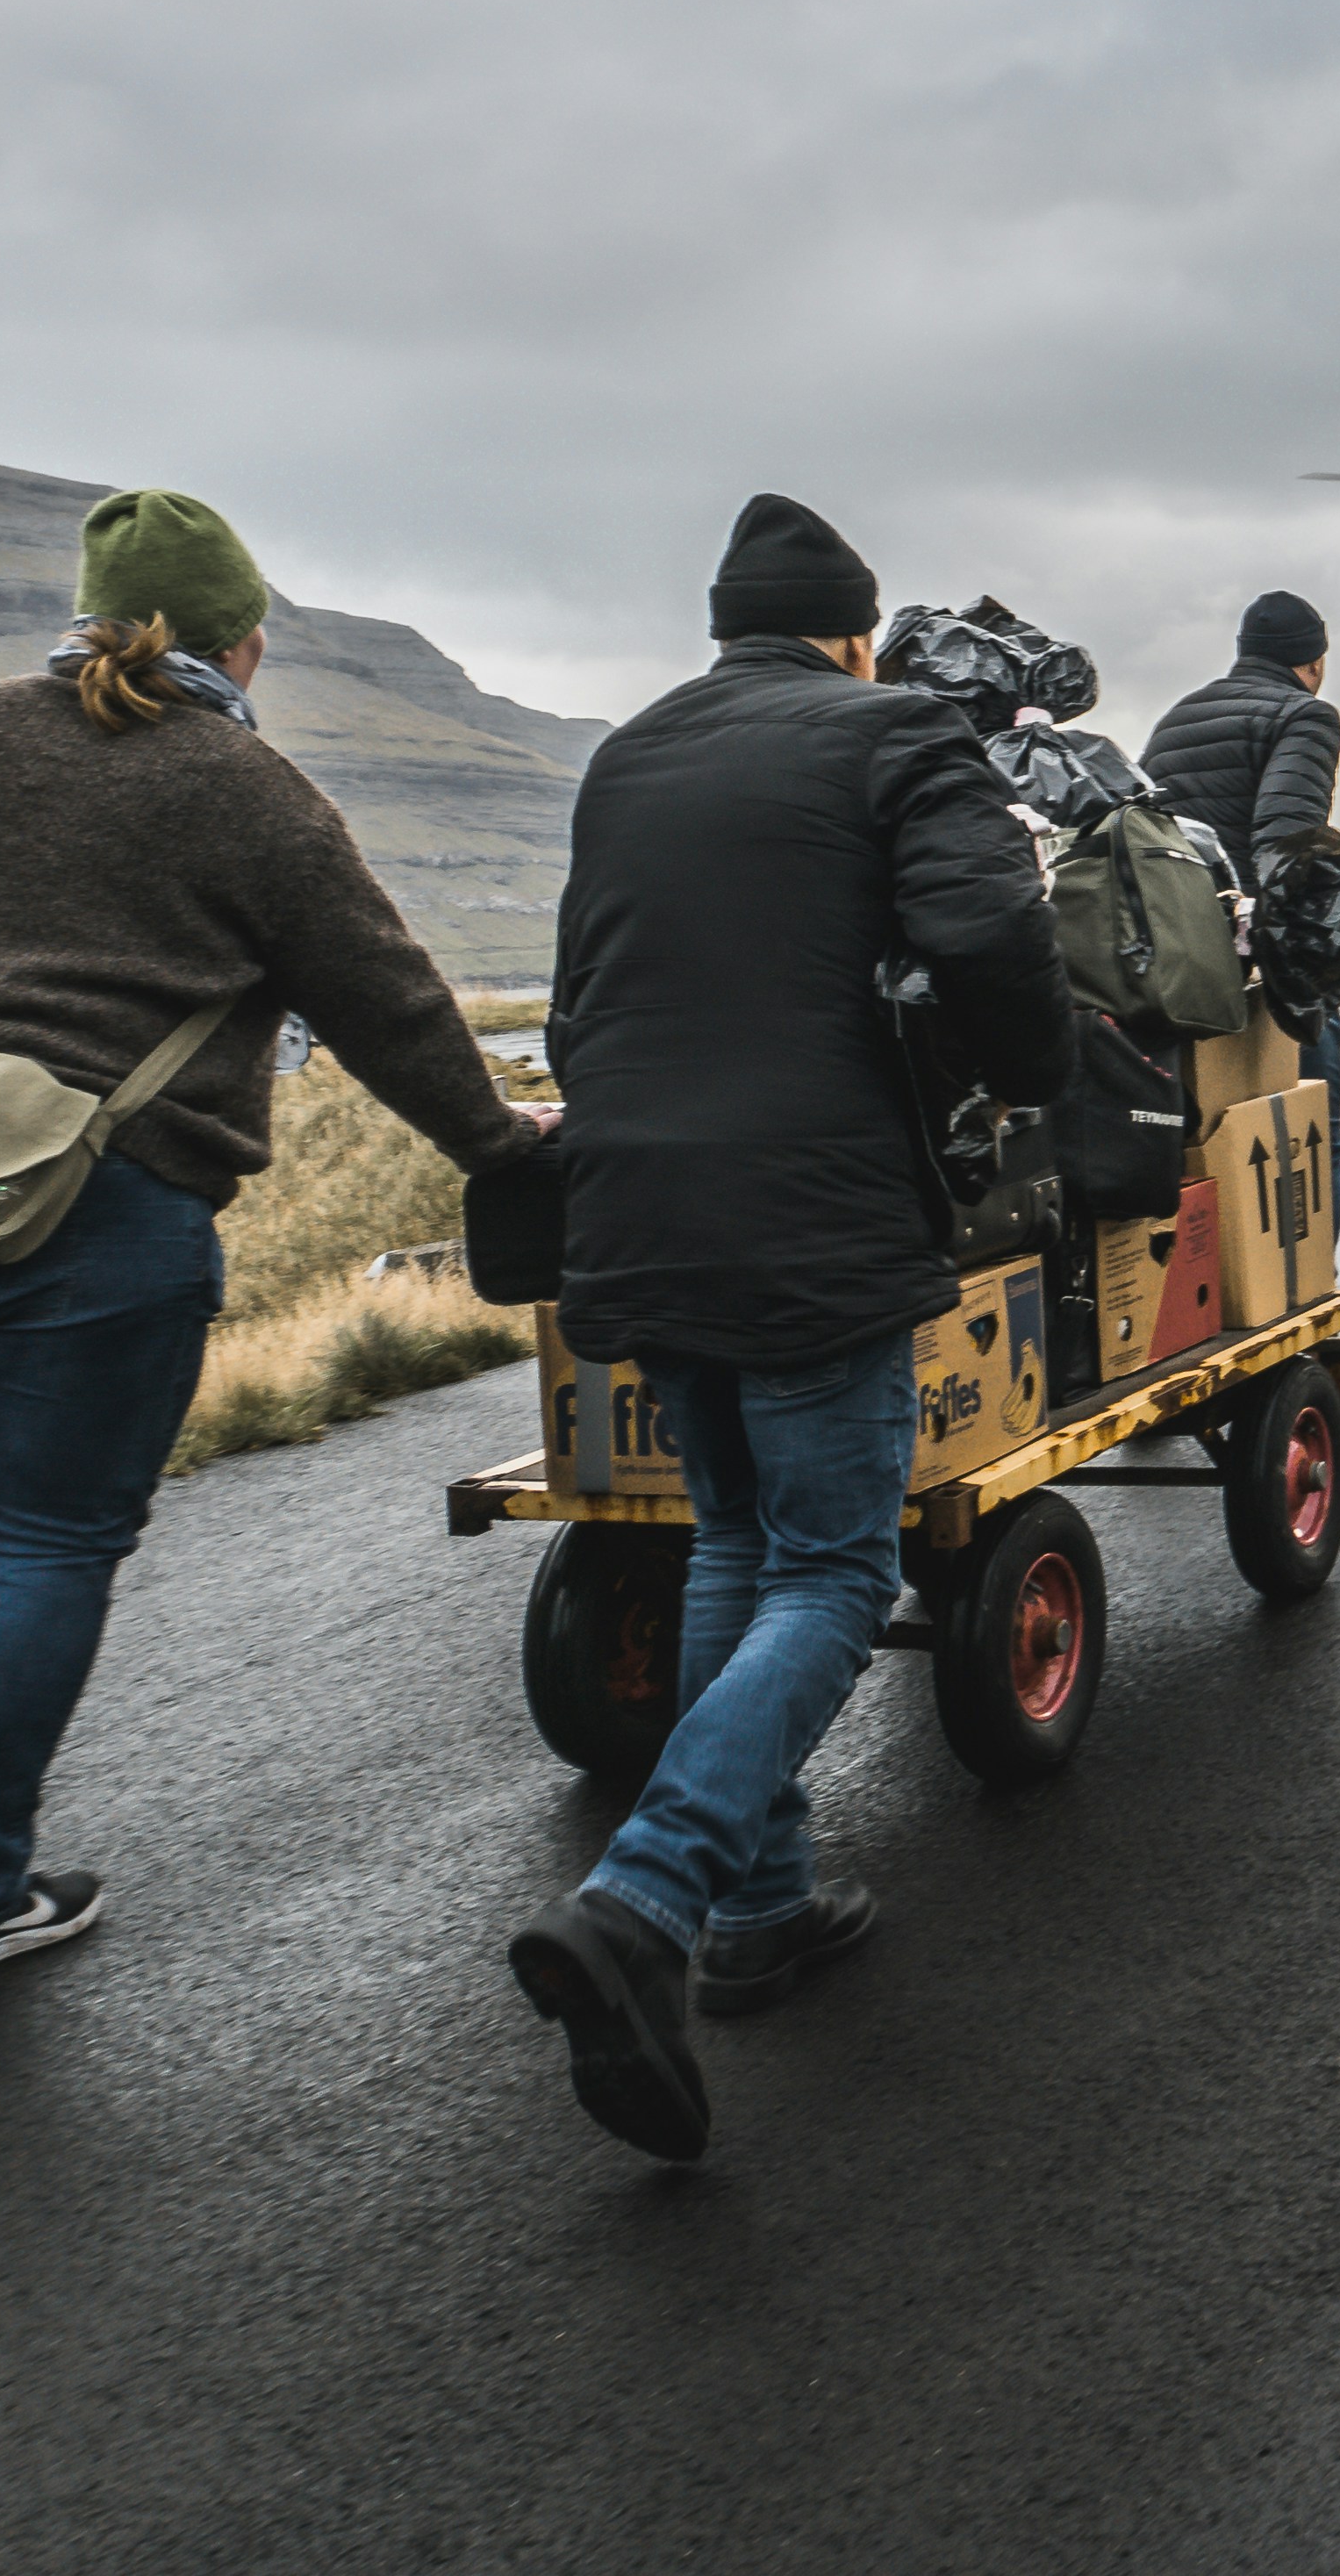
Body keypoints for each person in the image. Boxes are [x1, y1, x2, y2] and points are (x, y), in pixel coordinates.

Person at [0, 490, 542, 1988]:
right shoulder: (245, 787)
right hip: (89, 1209)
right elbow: (385, 998)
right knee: (39, 1535)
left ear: (88, 615)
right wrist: (500, 1147)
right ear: (245, 638)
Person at [503, 493, 1074, 2162]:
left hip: (635, 1201)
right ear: (850, 628)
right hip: (807, 1206)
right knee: (835, 1565)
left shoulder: (630, 755)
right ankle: (649, 1897)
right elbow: (987, 933)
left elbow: (576, 993)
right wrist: (1036, 1074)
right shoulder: (898, 731)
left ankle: (758, 1901)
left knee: (738, 1541)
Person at [1140, 589, 1340, 1198]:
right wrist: (1322, 960)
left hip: (1177, 974)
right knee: (1307, 1143)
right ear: (1314, 661)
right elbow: (1285, 843)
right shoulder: (1305, 714)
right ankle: (1304, 1286)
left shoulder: (1179, 717)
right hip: (1258, 972)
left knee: (1205, 1151)